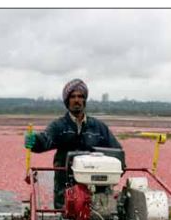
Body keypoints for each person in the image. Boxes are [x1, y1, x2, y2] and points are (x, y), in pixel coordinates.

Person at [25, 79, 123, 209]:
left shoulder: (98, 128)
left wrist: (108, 177)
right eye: (73, 96)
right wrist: (34, 141)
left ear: (84, 100)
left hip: (96, 193)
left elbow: (118, 154)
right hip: (65, 192)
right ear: (67, 101)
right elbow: (44, 140)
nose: (77, 100)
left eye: (80, 96)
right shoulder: (59, 126)